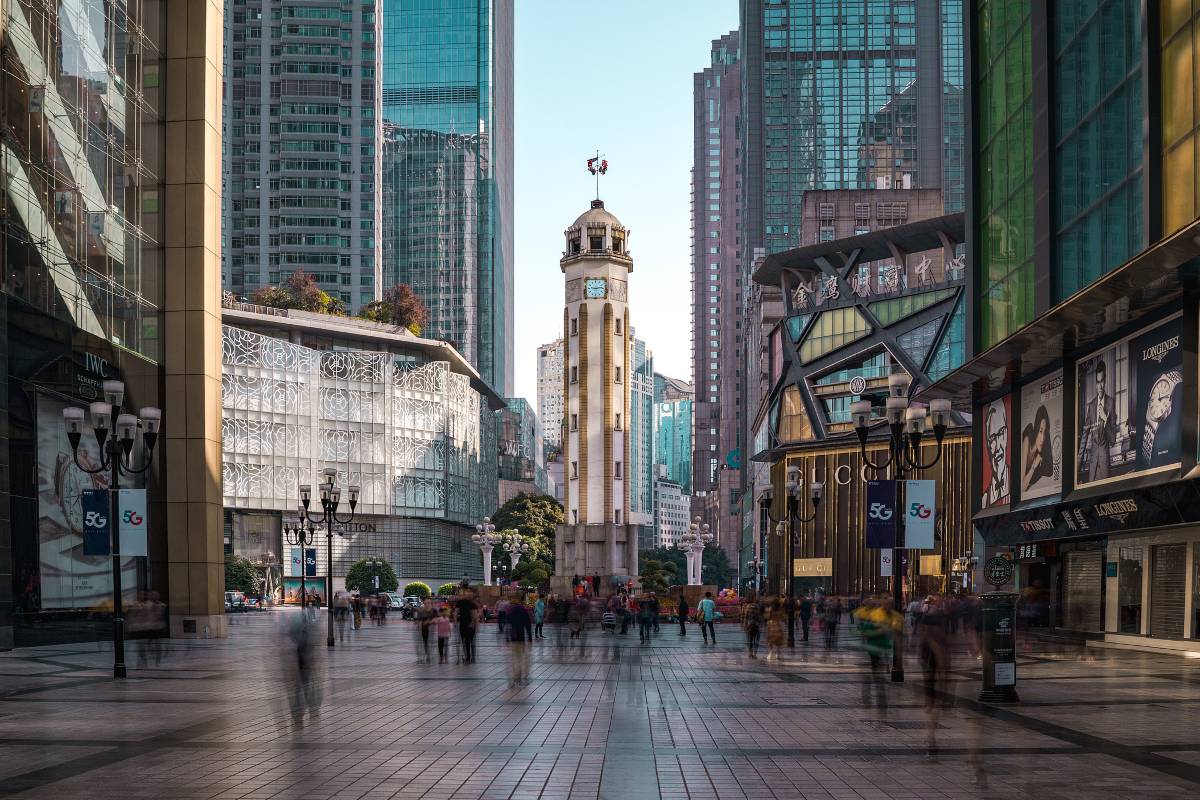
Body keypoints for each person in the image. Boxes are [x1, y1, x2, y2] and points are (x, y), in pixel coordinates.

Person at [1081, 360, 1116, 483]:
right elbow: (1085, 435)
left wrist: (1105, 420)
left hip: (1104, 465)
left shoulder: (1111, 403)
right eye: (1097, 382)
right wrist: (1078, 461)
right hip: (1092, 466)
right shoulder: (1091, 406)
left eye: (1102, 382)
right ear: (1095, 384)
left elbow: (1113, 440)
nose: (1100, 386)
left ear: (1105, 381)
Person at [1021, 404, 1055, 494]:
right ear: (1036, 429)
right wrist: (1034, 465)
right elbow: (1022, 487)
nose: (1043, 437)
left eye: (1045, 432)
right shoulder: (1027, 439)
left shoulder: (1040, 457)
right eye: (1040, 431)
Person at [506, 594, 533, 687]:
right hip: (521, 637)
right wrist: (530, 638)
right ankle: (521, 677)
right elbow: (528, 624)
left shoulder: (510, 610)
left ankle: (514, 678)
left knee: (514, 659)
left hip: (513, 638)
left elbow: (507, 625)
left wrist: (507, 638)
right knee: (522, 658)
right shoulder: (523, 610)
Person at [455, 588, 479, 663]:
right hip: (462, 624)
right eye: (467, 593)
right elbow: (456, 612)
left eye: (470, 593)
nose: (469, 594)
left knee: (470, 641)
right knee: (464, 641)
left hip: (470, 625)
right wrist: (455, 622)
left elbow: (475, 615)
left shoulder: (473, 604)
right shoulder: (460, 602)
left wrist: (473, 624)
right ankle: (467, 656)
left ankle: (470, 657)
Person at [415, 597, 436, 662]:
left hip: (432, 629)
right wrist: (419, 625)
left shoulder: (433, 610)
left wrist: (430, 621)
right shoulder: (421, 610)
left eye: (429, 603)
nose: (427, 604)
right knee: (425, 642)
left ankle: (430, 655)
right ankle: (427, 655)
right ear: (423, 603)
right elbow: (417, 619)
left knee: (431, 642)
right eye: (426, 603)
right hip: (424, 629)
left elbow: (437, 618)